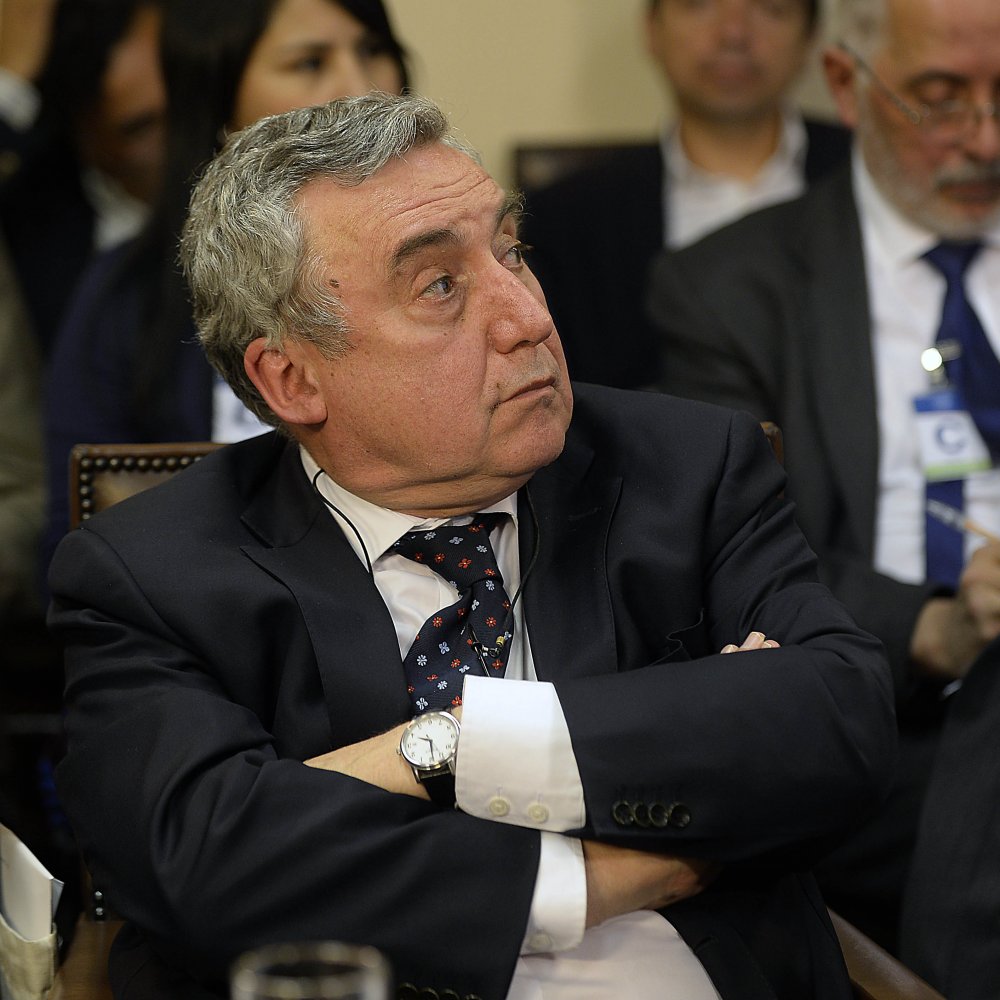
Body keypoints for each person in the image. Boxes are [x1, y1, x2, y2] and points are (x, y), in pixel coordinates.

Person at [48, 92, 895, 1000]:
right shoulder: (150, 574)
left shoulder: (687, 469)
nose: (527, 316)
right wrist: (585, 880)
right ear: (291, 379)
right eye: (440, 287)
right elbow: (198, 863)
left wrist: (452, 743)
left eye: (512, 252)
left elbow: (836, 724)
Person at [648, 0, 1000, 977]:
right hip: (886, 713)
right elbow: (729, 556)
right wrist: (938, 627)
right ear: (847, 85)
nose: (985, 140)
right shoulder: (730, 288)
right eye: (941, 99)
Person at [42, 0, 409, 570]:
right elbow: (79, 544)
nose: (360, 88)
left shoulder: (480, 258)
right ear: (220, 99)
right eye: (310, 62)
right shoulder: (124, 295)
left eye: (373, 50)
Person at [520, 0, 850, 390]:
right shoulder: (565, 222)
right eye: (699, 4)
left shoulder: (874, 179)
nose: (733, 34)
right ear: (652, 29)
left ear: (811, 38)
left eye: (770, 7)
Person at [0, 0, 166, 356]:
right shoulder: (37, 227)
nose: (179, 141)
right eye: (140, 128)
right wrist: (10, 87)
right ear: (83, 133)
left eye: (184, 109)